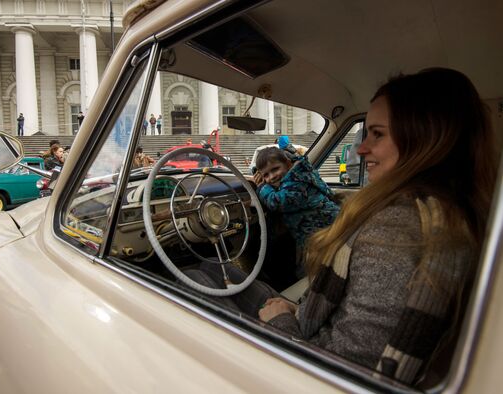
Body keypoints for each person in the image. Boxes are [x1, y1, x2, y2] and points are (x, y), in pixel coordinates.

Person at [186, 68, 496, 385]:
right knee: (212, 268)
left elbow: (344, 366)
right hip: (311, 322)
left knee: (193, 277)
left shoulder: (397, 230)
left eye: (377, 134)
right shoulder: (446, 212)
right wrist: (293, 312)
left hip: (297, 356)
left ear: (423, 137)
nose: (361, 149)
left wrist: (281, 320)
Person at [253, 147, 340, 278]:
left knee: (308, 273)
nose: (271, 177)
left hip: (322, 238)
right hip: (325, 231)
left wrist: (262, 187)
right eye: (265, 175)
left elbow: (276, 202)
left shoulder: (296, 185)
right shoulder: (302, 175)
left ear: (288, 164)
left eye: (275, 169)